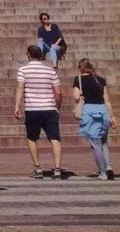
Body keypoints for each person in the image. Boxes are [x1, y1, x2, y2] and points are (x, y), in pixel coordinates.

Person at [15, 44, 64, 179]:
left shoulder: (23, 70)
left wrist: (17, 106)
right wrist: (57, 107)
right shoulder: (50, 71)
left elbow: (20, 88)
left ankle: (38, 168)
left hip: (32, 109)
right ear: (41, 56)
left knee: (32, 138)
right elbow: (58, 92)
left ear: (29, 55)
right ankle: (58, 169)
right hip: (49, 108)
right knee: (55, 139)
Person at [72, 59, 114, 180]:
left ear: (80, 67)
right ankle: (109, 167)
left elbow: (75, 97)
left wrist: (80, 95)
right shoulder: (100, 79)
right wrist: (112, 117)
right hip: (104, 111)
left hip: (90, 112)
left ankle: (102, 172)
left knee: (95, 144)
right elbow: (107, 99)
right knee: (104, 142)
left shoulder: (78, 79)